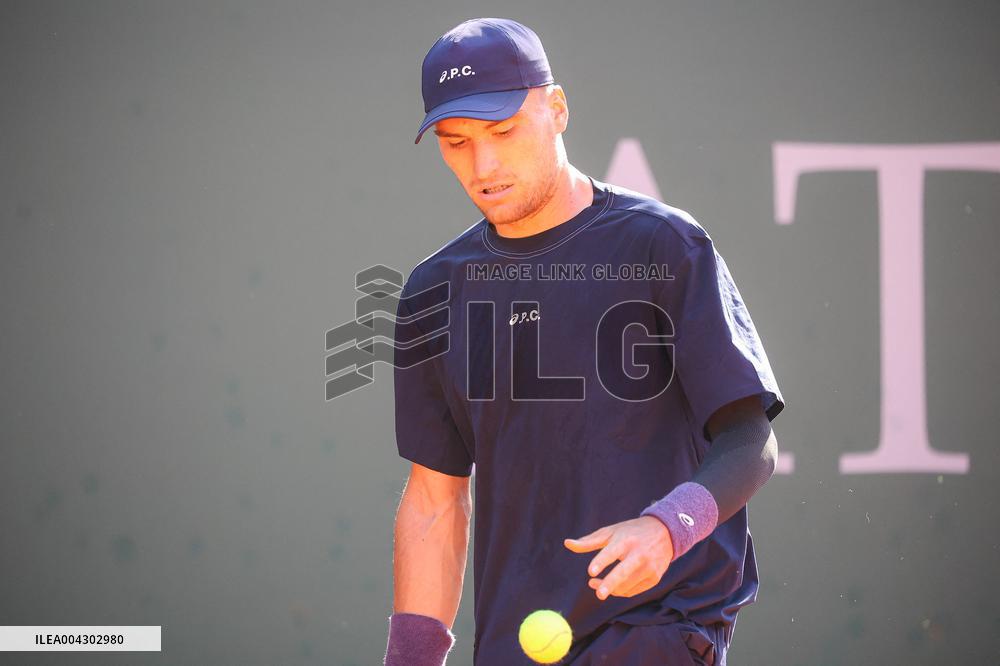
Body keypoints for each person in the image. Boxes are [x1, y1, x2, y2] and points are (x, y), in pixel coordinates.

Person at [383, 17, 785, 666]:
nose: (483, 165)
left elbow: (749, 441)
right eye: (456, 143)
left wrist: (665, 529)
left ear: (557, 110)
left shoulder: (662, 245)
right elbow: (434, 502)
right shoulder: (435, 292)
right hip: (515, 647)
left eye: (503, 132)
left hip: (660, 629)